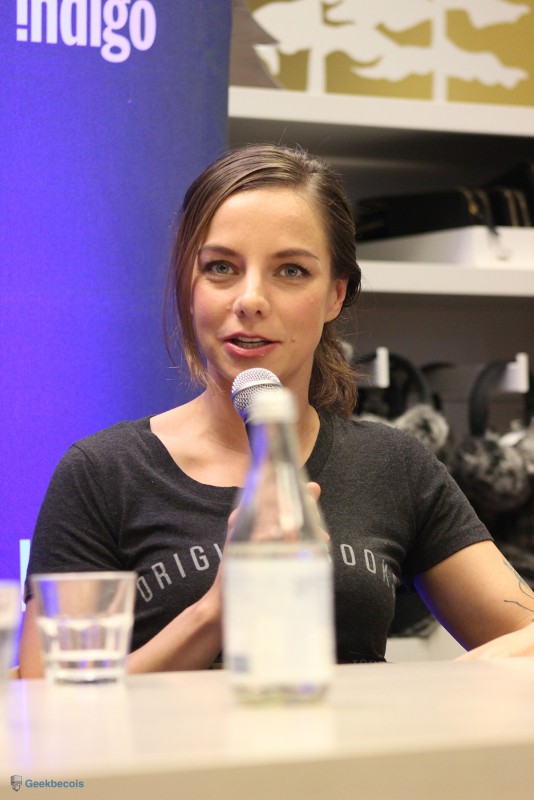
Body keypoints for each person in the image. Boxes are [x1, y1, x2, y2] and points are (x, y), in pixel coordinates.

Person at [19, 143, 534, 676]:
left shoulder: (394, 466)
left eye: (290, 271)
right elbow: (43, 697)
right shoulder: (103, 473)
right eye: (221, 267)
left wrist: (426, 689)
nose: (251, 300)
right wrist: (215, 612)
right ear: (188, 287)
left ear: (336, 295)